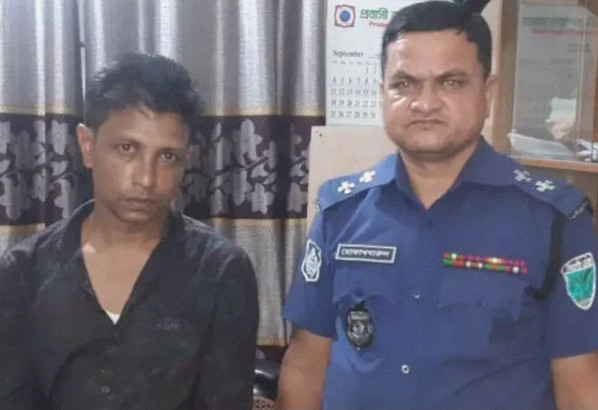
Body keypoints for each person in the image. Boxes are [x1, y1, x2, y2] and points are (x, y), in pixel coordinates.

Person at [278, 2, 598, 409]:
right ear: (382, 93)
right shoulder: (341, 211)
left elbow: (580, 386)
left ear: (487, 93)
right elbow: (306, 364)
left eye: (451, 82)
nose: (425, 103)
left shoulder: (554, 219)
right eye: (404, 83)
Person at [0, 52, 259, 409]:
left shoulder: (220, 271)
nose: (146, 179)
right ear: (88, 146)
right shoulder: (25, 271)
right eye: (127, 149)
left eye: (167, 157)